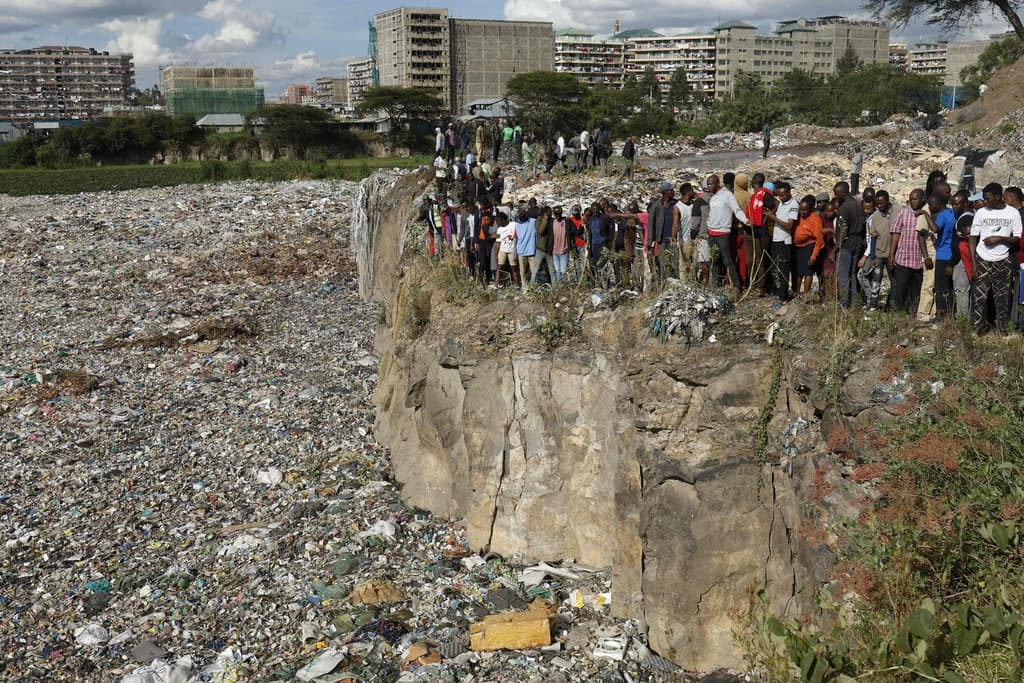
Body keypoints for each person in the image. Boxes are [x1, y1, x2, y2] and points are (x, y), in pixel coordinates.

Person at [969, 182, 1022, 334]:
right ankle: (976, 331)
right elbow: (973, 238)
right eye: (984, 198)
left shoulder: (1012, 213)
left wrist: (1000, 238)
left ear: (998, 197)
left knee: (1002, 298)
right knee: (979, 298)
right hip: (982, 258)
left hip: (1003, 260)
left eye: (988, 198)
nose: (985, 202)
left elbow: (1017, 238)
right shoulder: (981, 213)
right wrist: (974, 263)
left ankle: (1003, 331)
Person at [887, 189, 929, 315]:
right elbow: (896, 233)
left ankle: (913, 313)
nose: (913, 202)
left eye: (915, 199)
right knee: (901, 289)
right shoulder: (904, 213)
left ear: (922, 199)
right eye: (911, 199)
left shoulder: (927, 213)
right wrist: (891, 254)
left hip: (919, 260)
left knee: (916, 291)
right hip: (903, 258)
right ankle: (899, 314)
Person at [707, 174, 750, 292]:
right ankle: (716, 286)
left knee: (727, 260)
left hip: (723, 233)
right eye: (708, 184)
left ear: (717, 183)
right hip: (711, 233)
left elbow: (736, 210)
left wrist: (745, 220)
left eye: (711, 184)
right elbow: (712, 214)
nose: (709, 186)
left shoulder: (727, 195)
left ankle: (736, 286)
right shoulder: (713, 198)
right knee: (714, 260)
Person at [917, 193, 957, 319]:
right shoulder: (952, 213)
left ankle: (940, 316)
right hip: (952, 254)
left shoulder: (943, 215)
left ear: (937, 205)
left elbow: (935, 229)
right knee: (948, 288)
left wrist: (925, 214)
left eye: (930, 205)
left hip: (942, 255)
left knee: (939, 288)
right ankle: (947, 314)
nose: (929, 207)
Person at [857, 192, 892, 310]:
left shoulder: (874, 218)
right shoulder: (869, 218)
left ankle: (872, 301)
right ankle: (872, 302)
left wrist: (865, 256)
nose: (866, 210)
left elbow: (872, 239)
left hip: (875, 252)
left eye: (869, 208)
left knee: (863, 275)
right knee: (874, 278)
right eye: (865, 208)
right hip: (873, 252)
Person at [834, 181, 865, 308]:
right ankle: (854, 301)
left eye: (836, 193)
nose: (835, 196)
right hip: (858, 242)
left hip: (847, 244)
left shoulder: (845, 208)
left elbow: (843, 229)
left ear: (843, 192)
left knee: (843, 275)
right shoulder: (857, 204)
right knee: (852, 273)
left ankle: (844, 303)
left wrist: (836, 247)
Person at [647, 181, 681, 285]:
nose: (673, 192)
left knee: (675, 263)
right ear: (665, 192)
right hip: (661, 239)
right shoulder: (656, 205)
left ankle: (677, 284)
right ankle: (666, 284)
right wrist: (651, 240)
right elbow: (651, 222)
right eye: (670, 190)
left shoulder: (677, 204)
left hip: (674, 239)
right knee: (664, 264)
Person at [793, 195, 825, 296]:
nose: (802, 212)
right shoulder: (798, 216)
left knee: (807, 272)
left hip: (808, 247)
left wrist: (813, 256)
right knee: (798, 271)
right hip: (797, 247)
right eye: (800, 209)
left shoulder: (815, 219)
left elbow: (819, 240)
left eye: (805, 210)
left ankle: (805, 296)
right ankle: (797, 293)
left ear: (811, 209)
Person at [951, 190, 975, 319]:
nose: (954, 207)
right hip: (964, 258)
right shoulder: (968, 216)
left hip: (962, 259)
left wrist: (952, 262)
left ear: (965, 203)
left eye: (957, 204)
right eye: (953, 204)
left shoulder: (965, 219)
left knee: (961, 290)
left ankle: (962, 319)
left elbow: (963, 241)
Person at [495, 211, 518, 287]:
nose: (497, 223)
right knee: (499, 267)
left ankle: (516, 284)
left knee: (514, 268)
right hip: (502, 250)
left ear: (503, 220)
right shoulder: (499, 229)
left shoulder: (514, 225)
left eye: (498, 221)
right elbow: (498, 242)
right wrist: (496, 254)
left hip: (512, 250)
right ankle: (496, 284)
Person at [533, 205, 553, 286]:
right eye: (548, 212)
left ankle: (555, 287)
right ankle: (532, 286)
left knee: (552, 270)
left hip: (549, 249)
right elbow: (540, 231)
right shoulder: (538, 221)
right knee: (535, 269)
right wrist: (545, 220)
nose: (550, 214)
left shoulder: (551, 221)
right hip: (540, 249)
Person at [550, 206, 571, 285]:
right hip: (554, 251)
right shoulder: (552, 222)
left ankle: (564, 285)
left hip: (563, 251)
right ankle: (559, 286)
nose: (557, 216)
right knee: (557, 270)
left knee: (563, 270)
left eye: (558, 214)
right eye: (556, 214)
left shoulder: (566, 222)